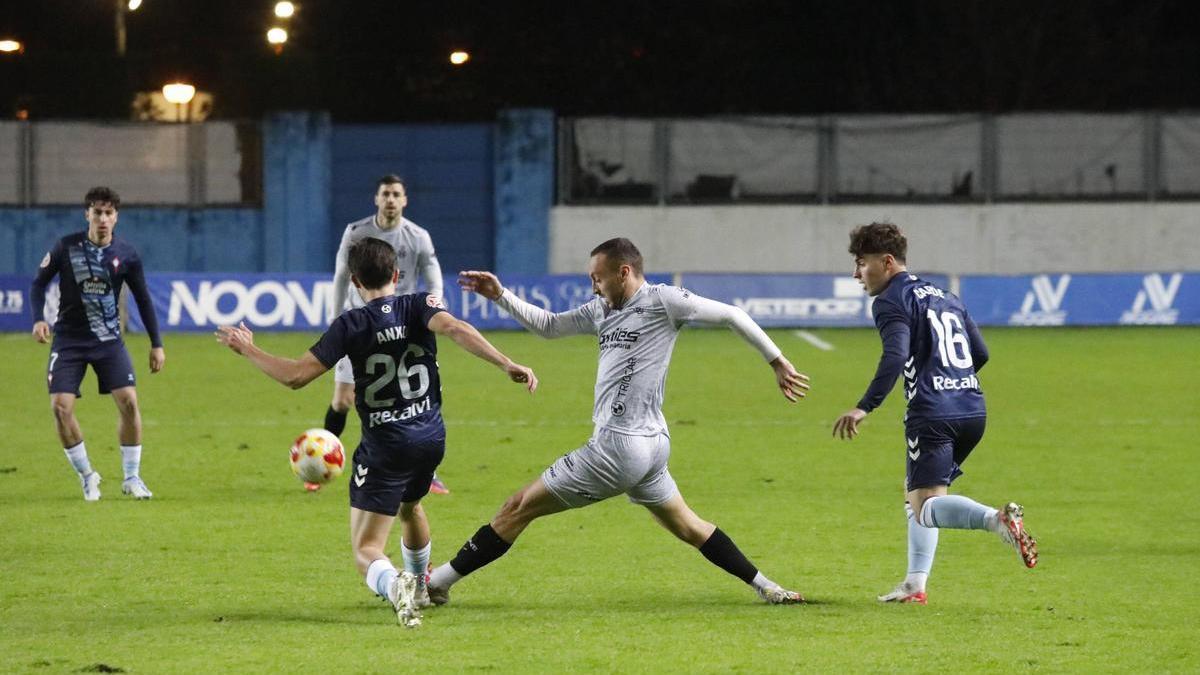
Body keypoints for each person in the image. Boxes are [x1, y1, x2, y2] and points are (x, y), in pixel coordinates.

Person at [424, 237, 811, 608]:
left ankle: (436, 584)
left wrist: (777, 361)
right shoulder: (601, 310)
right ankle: (767, 586)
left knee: (517, 507)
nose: (593, 285)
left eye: (598, 277)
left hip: (619, 447)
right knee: (689, 526)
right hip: (651, 447)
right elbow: (550, 325)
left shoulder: (662, 301)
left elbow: (732, 314)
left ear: (623, 272)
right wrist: (501, 296)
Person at [216, 238, 537, 628]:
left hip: (385, 447)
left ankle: (395, 586)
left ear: (354, 280)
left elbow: (296, 376)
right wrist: (505, 363)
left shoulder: (350, 324)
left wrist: (248, 349)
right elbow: (454, 328)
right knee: (411, 507)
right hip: (430, 438)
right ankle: (420, 584)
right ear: (397, 275)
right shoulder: (420, 304)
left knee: (366, 548)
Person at [831, 222, 1037, 606]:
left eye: (862, 264)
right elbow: (982, 354)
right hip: (973, 409)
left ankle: (998, 520)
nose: (856, 274)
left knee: (925, 509)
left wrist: (865, 405)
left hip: (932, 413)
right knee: (920, 497)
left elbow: (894, 355)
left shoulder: (891, 300)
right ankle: (914, 585)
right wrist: (951, 377)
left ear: (887, 262)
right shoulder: (945, 295)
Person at [30, 186, 165, 501]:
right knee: (60, 409)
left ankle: (132, 478)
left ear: (116, 217)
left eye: (109, 213)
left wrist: (156, 343)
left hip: (108, 342)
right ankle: (88, 475)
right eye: (97, 212)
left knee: (130, 402)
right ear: (87, 214)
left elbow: (143, 300)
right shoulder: (66, 248)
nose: (103, 219)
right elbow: (38, 284)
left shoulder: (127, 255)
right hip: (69, 341)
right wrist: (38, 318)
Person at [322, 174, 450, 494]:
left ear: (404, 200)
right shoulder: (356, 232)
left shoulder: (418, 236)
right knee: (342, 400)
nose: (391, 199)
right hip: (361, 323)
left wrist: (436, 308)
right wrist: (334, 318)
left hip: (402, 326)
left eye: (396, 194)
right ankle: (324, 462)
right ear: (376, 199)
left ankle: (426, 473)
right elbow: (340, 275)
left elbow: (434, 279)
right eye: (385, 194)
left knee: (417, 398)